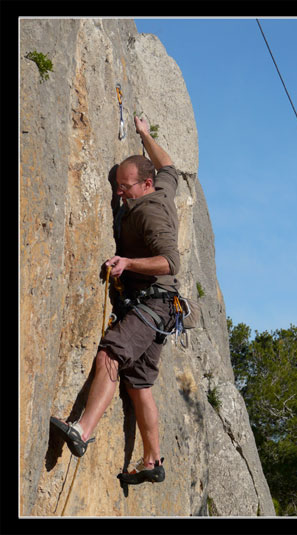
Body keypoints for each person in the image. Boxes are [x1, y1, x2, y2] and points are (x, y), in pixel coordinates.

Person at [51, 115, 181, 484]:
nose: (119, 193)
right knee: (139, 384)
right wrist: (144, 133)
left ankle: (83, 431)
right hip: (162, 307)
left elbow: (171, 261)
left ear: (145, 184)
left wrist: (128, 262)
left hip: (152, 303)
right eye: (118, 186)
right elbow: (168, 166)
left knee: (111, 353)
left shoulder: (151, 211)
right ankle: (152, 461)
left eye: (126, 188)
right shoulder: (162, 187)